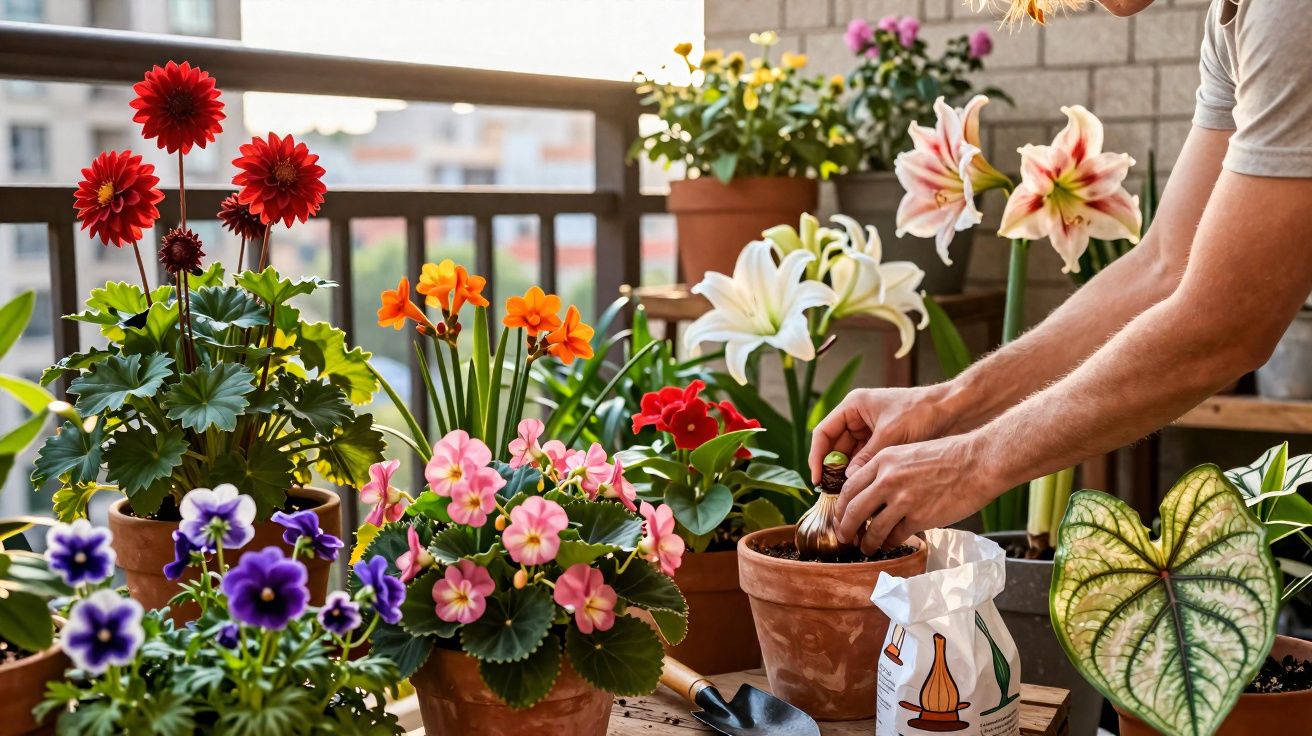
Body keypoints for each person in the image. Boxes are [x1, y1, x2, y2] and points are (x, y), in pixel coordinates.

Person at [811, 0, 1312, 553]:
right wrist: (946, 404)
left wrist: (971, 463)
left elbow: (1225, 324)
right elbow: (1166, 266)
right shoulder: (1234, 20)